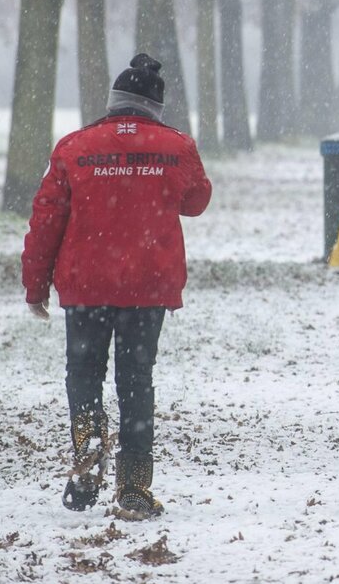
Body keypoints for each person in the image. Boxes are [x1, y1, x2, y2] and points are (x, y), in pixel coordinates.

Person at [22, 53, 212, 519]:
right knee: (136, 379)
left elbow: (46, 218)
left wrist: (35, 285)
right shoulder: (177, 146)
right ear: (155, 107)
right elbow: (196, 201)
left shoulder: (73, 147)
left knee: (84, 373)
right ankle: (133, 486)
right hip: (148, 283)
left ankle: (88, 455)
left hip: (86, 283)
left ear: (113, 101)